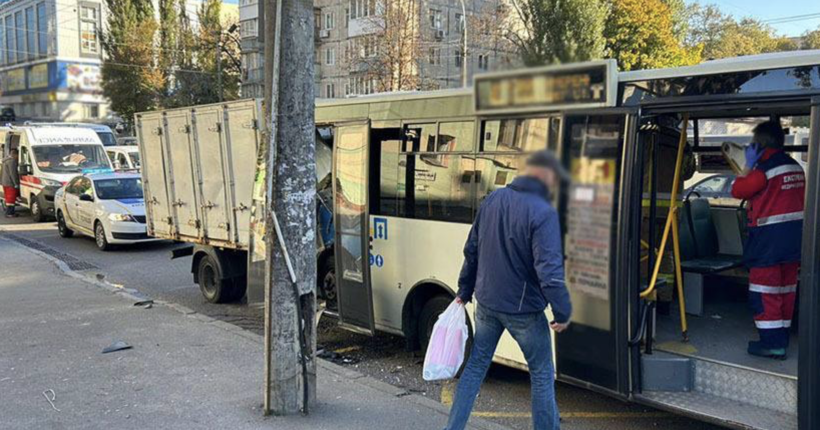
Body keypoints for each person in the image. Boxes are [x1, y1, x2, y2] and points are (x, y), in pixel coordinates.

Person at [445, 150, 572, 430]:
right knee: (541, 372)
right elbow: (549, 273)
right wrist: (562, 312)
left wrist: (464, 291)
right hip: (523, 310)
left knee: (476, 366)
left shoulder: (492, 200)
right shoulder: (543, 212)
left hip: (487, 303)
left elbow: (472, 250)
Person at [731, 120, 805, 359]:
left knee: (764, 292)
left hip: (768, 244)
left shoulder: (763, 170)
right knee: (786, 290)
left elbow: (738, 191)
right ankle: (781, 335)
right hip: (794, 243)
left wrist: (746, 167)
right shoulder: (795, 166)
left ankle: (772, 344)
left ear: (759, 145)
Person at [1, 148, 20, 217]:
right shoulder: (12, 162)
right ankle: (10, 213)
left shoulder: (5, 161)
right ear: (15, 154)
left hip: (5, 182)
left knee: (8, 198)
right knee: (11, 199)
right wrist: (16, 183)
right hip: (10, 183)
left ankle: (9, 212)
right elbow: (13, 173)